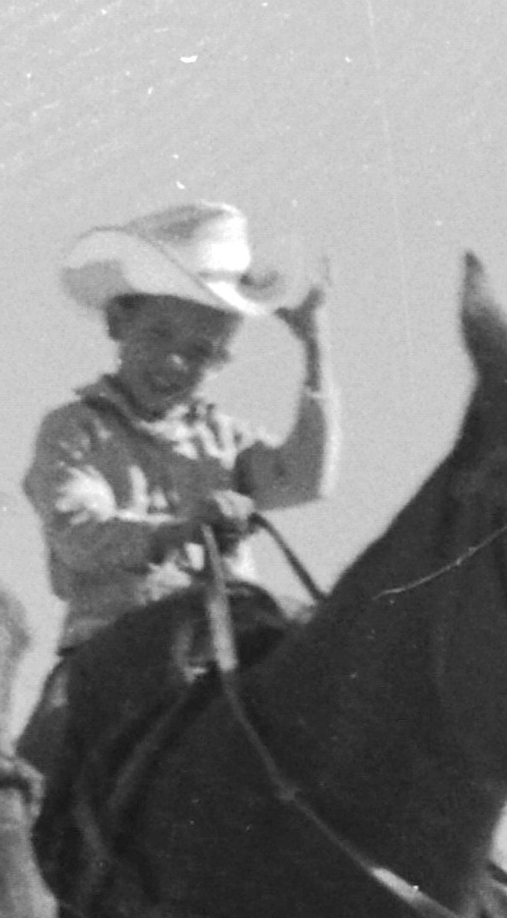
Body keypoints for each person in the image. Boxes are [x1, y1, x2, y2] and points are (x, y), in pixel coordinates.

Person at [23, 200, 336, 655]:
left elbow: (306, 478)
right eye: (158, 335)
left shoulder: (223, 439)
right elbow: (78, 537)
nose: (174, 362)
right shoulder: (75, 429)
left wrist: (314, 343)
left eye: (200, 352)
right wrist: (182, 530)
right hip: (111, 649)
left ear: (220, 361)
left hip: (225, 645)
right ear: (118, 322)